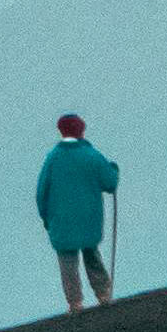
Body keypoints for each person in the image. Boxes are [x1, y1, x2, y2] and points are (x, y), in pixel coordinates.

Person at [35, 112, 120, 311]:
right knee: (92, 255)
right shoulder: (91, 155)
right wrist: (114, 168)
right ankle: (104, 294)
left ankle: (75, 302)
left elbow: (41, 192)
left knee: (67, 262)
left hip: (61, 220)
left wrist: (46, 217)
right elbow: (110, 182)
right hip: (88, 217)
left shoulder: (53, 159)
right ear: (81, 130)